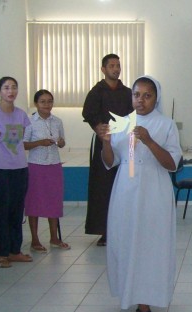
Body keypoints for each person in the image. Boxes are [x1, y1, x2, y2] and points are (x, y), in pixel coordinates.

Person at [96, 76, 181, 312]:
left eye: (147, 95)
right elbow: (110, 161)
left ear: (156, 98)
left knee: (149, 244)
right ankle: (130, 293)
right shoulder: (121, 123)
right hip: (126, 190)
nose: (140, 100)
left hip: (154, 192)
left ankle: (145, 305)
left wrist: (149, 140)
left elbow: (172, 164)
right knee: (125, 241)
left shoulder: (166, 125)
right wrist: (106, 142)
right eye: (136, 94)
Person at [82, 54, 133, 247]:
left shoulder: (127, 92)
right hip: (105, 143)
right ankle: (104, 230)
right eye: (112, 65)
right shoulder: (97, 91)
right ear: (103, 69)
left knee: (125, 184)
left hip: (125, 143)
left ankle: (125, 227)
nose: (116, 69)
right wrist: (99, 130)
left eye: (118, 65)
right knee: (103, 187)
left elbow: (133, 115)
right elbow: (88, 113)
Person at [0, 77, 32, 267]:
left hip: (20, 167)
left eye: (14, 87)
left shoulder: (21, 114)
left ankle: (14, 250)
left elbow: (25, 139)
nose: (10, 91)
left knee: (17, 210)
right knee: (1, 210)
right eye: (6, 87)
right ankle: (0, 253)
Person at [23, 89, 69, 254]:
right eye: (43, 101)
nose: (47, 105)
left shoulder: (57, 121)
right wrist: (39, 143)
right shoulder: (29, 122)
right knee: (34, 202)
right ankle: (35, 239)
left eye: (49, 101)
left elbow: (62, 143)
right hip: (36, 165)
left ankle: (54, 237)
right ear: (36, 104)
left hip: (54, 164)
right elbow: (23, 145)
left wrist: (61, 142)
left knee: (54, 201)